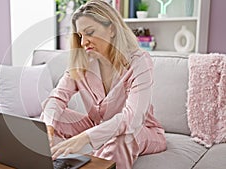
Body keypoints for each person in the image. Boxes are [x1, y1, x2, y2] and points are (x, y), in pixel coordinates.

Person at [40, 0, 167, 168]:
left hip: (141, 130)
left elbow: (132, 119)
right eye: (80, 36)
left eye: (90, 32)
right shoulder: (83, 63)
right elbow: (56, 98)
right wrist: (48, 127)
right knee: (49, 120)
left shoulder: (138, 61)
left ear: (112, 29)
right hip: (97, 126)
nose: (84, 42)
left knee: (123, 138)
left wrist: (84, 138)